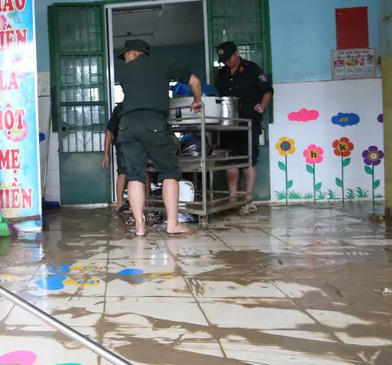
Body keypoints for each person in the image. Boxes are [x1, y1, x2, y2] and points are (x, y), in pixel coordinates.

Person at [114, 39, 202, 236]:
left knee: (134, 175)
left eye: (126, 55)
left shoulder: (124, 73)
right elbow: (194, 81)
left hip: (127, 125)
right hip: (153, 123)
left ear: (135, 53)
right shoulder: (164, 63)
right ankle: (172, 225)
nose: (125, 59)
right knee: (169, 172)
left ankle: (139, 228)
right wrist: (197, 101)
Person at [213, 41, 273, 214]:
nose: (227, 62)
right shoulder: (222, 74)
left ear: (237, 53)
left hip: (249, 122)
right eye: (223, 60)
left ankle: (248, 198)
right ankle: (232, 199)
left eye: (229, 58)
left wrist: (262, 106)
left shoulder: (252, 69)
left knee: (249, 160)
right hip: (228, 125)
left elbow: (267, 91)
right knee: (230, 161)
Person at [102, 101, 128, 212]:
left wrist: (106, 154)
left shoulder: (121, 107)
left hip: (129, 143)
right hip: (123, 144)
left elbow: (109, 132)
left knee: (135, 172)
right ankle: (119, 202)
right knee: (125, 172)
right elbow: (109, 132)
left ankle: (121, 202)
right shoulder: (120, 108)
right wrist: (106, 155)